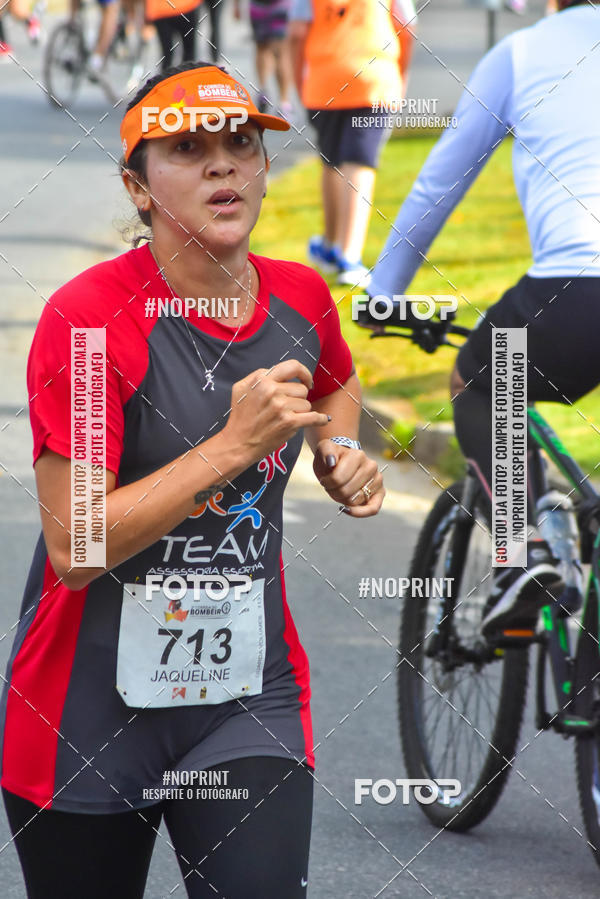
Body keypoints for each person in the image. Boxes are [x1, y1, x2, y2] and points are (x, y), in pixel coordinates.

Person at [0, 60, 385, 898]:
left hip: (247, 700)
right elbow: (77, 544)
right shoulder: (92, 323)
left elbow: (335, 382)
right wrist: (232, 444)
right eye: (188, 147)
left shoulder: (301, 299)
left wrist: (341, 457)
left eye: (241, 144)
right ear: (137, 188)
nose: (223, 164)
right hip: (85, 709)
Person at [368, 0, 600, 638]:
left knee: (483, 380)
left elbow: (441, 183)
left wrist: (384, 291)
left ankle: (524, 550)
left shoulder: (523, 53)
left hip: (578, 290)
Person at [289, 0, 416, 286]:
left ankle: (331, 245)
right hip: (373, 79)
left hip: (324, 82)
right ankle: (349, 255)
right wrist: (401, 74)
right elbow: (406, 26)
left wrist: (300, 84)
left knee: (332, 160)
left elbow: (297, 33)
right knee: (358, 162)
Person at [233, 0, 294, 120]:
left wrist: (236, 6)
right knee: (280, 53)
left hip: (260, 6)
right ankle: (283, 103)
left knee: (262, 48)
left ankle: (263, 91)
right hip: (280, 6)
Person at [145, 0, 202, 70]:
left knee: (168, 54)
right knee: (187, 55)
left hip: (164, 10)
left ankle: (167, 78)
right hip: (176, 9)